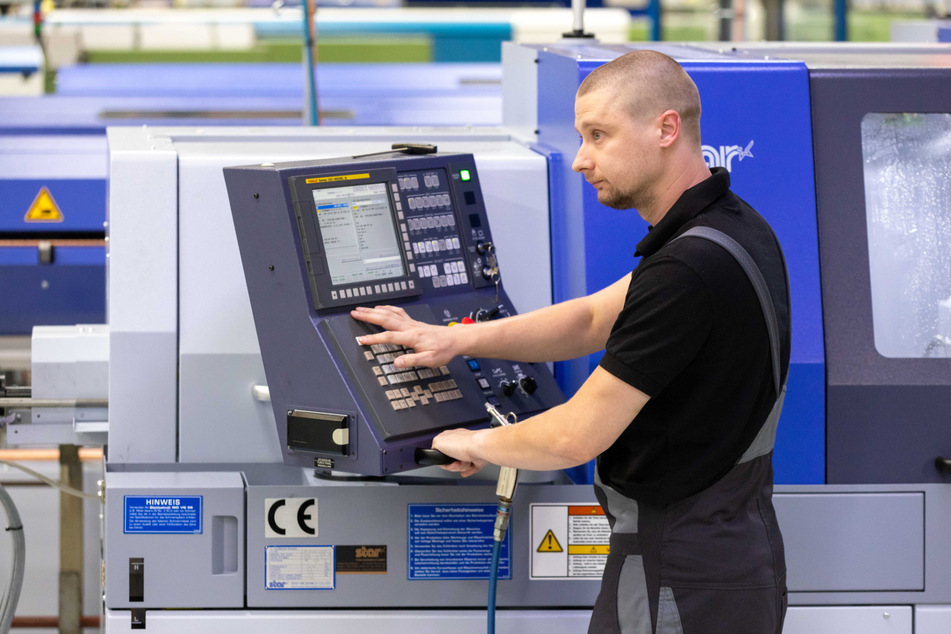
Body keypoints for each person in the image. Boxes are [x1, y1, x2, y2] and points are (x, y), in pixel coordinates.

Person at [351, 49, 790, 634]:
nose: (581, 159)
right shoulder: (731, 228)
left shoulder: (687, 270)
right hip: (733, 551)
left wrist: (467, 441)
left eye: (598, 135)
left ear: (666, 128)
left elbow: (573, 436)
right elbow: (589, 320)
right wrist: (454, 339)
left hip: (677, 569)